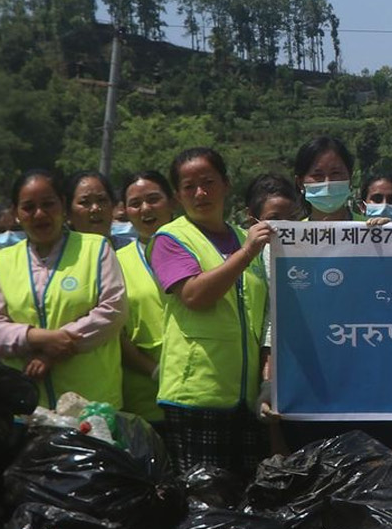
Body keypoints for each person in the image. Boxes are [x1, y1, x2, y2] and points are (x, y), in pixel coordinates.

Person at [151, 147, 271, 477]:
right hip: (197, 394)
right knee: (204, 496)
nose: (200, 193)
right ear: (177, 196)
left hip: (245, 397)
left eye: (208, 182)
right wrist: (246, 254)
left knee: (247, 493)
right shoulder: (171, 238)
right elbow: (194, 295)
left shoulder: (243, 237)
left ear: (226, 184)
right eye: (189, 187)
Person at [0, 169, 128, 411]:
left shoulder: (96, 249)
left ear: (63, 206)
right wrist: (36, 337)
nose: (40, 214)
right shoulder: (2, 262)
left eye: (48, 204)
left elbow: (113, 311)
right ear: (16, 213)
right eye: (29, 207)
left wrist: (53, 352)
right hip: (28, 405)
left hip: (92, 404)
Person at [116, 170, 176, 425]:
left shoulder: (198, 250)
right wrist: (153, 370)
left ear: (172, 201)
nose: (145, 209)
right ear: (124, 211)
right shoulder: (115, 262)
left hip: (200, 390)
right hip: (143, 399)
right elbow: (114, 332)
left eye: (153, 199)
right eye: (135, 203)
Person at [295, 136, 357, 223]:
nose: (328, 183)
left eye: (335, 173)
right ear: (300, 183)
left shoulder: (370, 228)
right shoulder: (294, 231)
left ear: (350, 179)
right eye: (317, 175)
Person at [68, 170, 131, 249]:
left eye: (102, 200)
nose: (95, 208)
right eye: (85, 202)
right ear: (67, 212)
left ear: (113, 205)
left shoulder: (131, 250)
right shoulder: (57, 253)